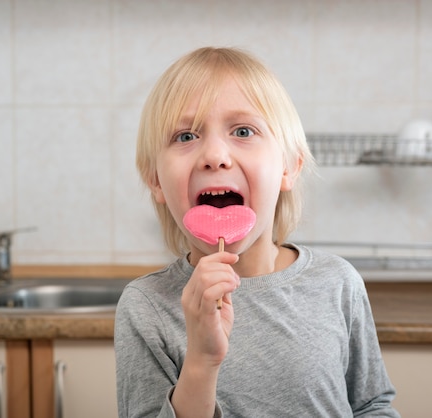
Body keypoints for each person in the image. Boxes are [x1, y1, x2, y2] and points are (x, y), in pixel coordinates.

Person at [115, 46, 399, 418]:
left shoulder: (337, 284)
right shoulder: (146, 306)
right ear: (155, 179)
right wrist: (202, 360)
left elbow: (372, 405)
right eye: (185, 136)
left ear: (289, 167)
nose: (214, 155)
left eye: (243, 131)